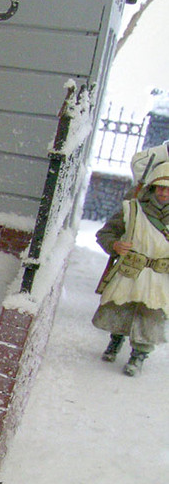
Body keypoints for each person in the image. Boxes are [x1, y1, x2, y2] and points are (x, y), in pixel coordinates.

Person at [92, 159, 169, 376]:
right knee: (120, 308)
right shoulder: (133, 208)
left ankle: (139, 355)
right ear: (153, 187)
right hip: (131, 270)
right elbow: (106, 234)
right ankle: (115, 341)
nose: (164, 193)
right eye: (161, 187)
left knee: (151, 316)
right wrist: (115, 245)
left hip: (160, 276)